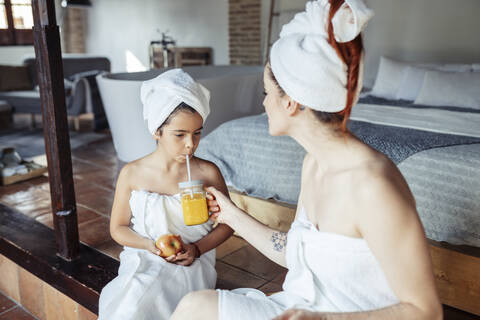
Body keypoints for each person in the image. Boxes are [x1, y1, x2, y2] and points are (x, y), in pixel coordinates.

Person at [171, 1, 442, 319]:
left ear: (291, 103)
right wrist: (231, 215)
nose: (264, 105)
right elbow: (299, 253)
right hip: (298, 308)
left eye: (266, 94)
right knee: (194, 306)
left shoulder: (373, 186)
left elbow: (426, 311)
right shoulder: (314, 164)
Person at [98, 69, 234, 320]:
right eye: (180, 135)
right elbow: (118, 228)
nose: (190, 144)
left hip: (191, 262)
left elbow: (228, 226)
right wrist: (149, 245)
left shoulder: (207, 172)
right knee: (133, 299)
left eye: (197, 133)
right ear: (156, 131)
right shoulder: (132, 173)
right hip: (144, 256)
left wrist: (197, 249)